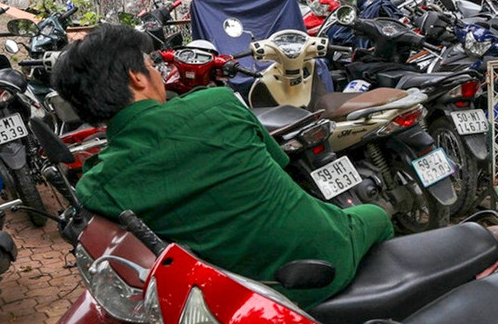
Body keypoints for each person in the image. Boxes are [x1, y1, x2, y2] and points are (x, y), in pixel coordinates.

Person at [52, 25, 393, 307]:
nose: (157, 72)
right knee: (376, 214)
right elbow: (280, 161)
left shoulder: (97, 185)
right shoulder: (217, 102)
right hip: (330, 254)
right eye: (151, 65)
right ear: (136, 78)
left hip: (236, 301)